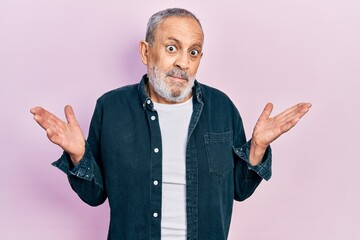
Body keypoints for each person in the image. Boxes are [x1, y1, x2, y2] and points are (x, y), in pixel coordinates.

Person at [30, 8, 311, 240]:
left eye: (193, 52)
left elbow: (240, 190)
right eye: (172, 47)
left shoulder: (222, 108)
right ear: (145, 51)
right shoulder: (110, 108)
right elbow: (94, 196)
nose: (183, 63)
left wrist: (258, 147)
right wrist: (79, 155)